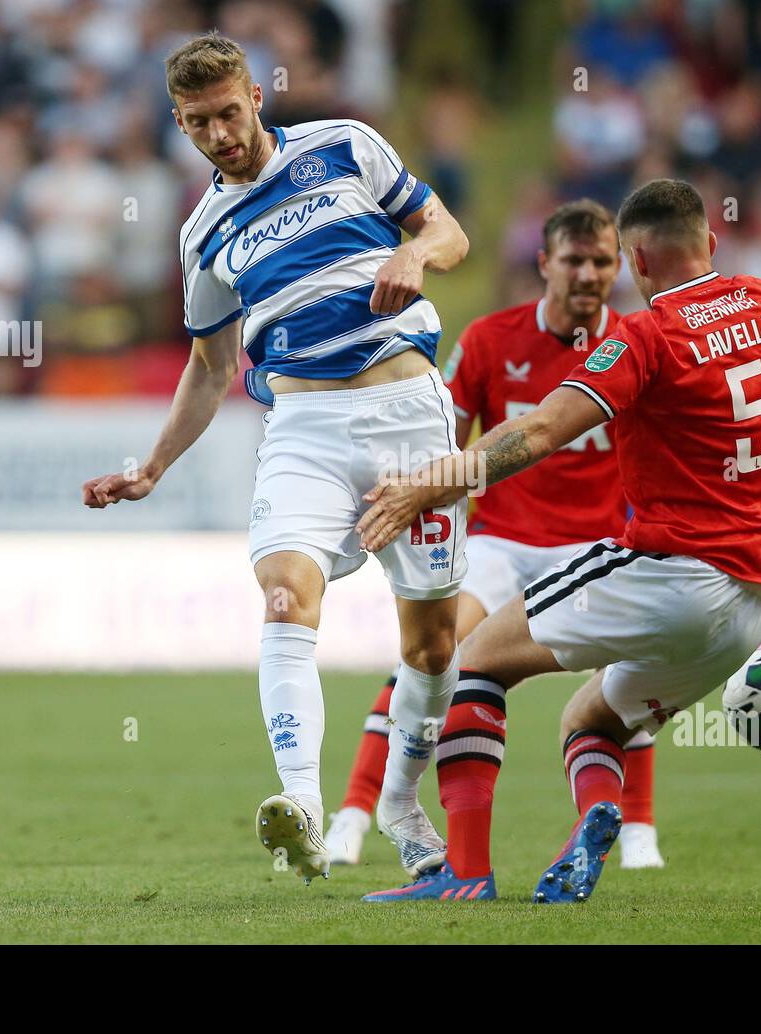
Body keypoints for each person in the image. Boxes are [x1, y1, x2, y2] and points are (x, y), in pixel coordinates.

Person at [356, 178, 761, 903]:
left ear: (635, 258)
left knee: (474, 665)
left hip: (670, 572)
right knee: (591, 718)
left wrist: (426, 484)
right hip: (752, 609)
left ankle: (465, 874)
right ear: (712, 244)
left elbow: (538, 430)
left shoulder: (647, 336)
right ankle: (597, 816)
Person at [81, 31, 470, 885]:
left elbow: (449, 232)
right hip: (303, 427)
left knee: (436, 648)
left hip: (408, 412)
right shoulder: (202, 233)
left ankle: (402, 803)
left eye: (228, 113)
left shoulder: (345, 145)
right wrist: (152, 467)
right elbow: (211, 367)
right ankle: (301, 806)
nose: (219, 135)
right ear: (178, 126)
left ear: (257, 95)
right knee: (286, 594)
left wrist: (415, 251)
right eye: (197, 124)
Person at [325, 198, 665, 873]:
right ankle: (356, 814)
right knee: (430, 657)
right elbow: (441, 441)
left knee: (629, 675)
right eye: (575, 260)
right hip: (501, 542)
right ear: (544, 264)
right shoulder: (489, 340)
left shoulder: (638, 342)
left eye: (604, 261)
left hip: (593, 545)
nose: (590, 274)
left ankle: (637, 831)